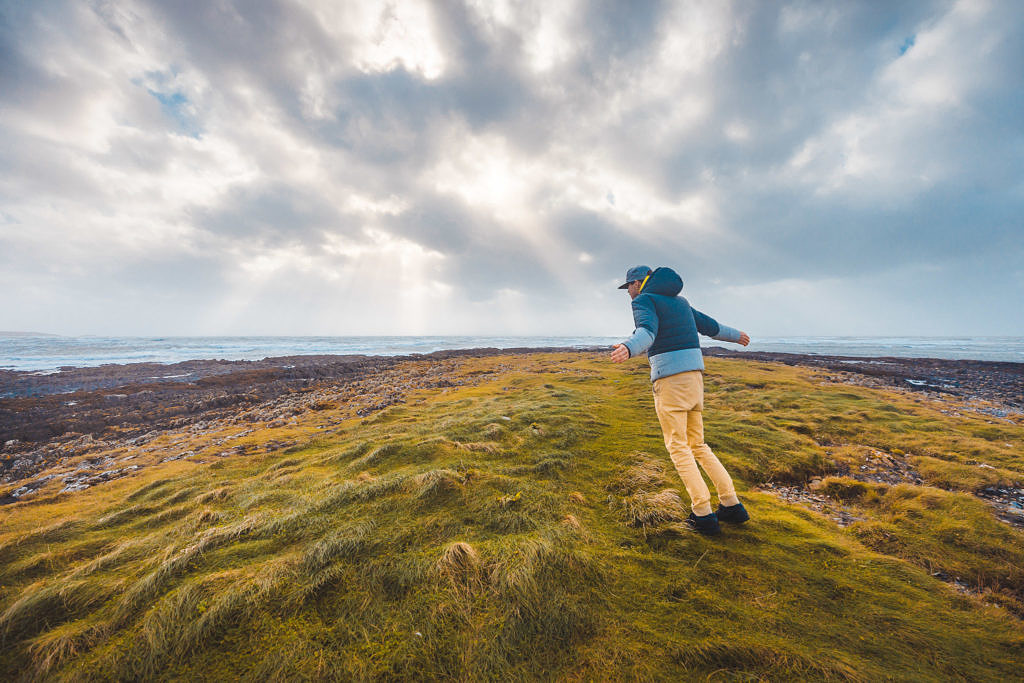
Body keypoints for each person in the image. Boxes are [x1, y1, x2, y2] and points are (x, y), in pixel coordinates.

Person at [610, 265, 751, 536]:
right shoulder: (681, 301)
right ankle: (731, 504)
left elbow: (647, 332)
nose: (627, 292)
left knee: (678, 446)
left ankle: (702, 514)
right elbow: (712, 327)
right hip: (694, 379)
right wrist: (737, 336)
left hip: (671, 381)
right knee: (697, 443)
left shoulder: (644, 300)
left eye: (628, 286)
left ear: (638, 283)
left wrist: (628, 348)